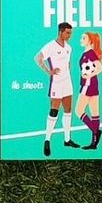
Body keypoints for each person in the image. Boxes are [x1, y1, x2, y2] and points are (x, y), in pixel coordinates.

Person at [34, 21, 80, 156]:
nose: (70, 35)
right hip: (56, 83)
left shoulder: (69, 48)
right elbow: (38, 58)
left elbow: (68, 63)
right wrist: (49, 71)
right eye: (67, 33)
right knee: (54, 110)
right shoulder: (51, 46)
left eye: (71, 33)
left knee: (68, 110)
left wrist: (67, 68)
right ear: (61, 32)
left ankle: (67, 139)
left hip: (67, 82)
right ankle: (47, 140)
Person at [76, 31, 102, 149]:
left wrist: (88, 75)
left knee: (78, 111)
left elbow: (100, 68)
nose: (81, 39)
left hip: (88, 84)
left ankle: (95, 131)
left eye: (84, 38)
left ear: (90, 41)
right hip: (93, 84)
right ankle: (94, 143)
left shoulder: (90, 53)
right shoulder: (86, 53)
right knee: (94, 113)